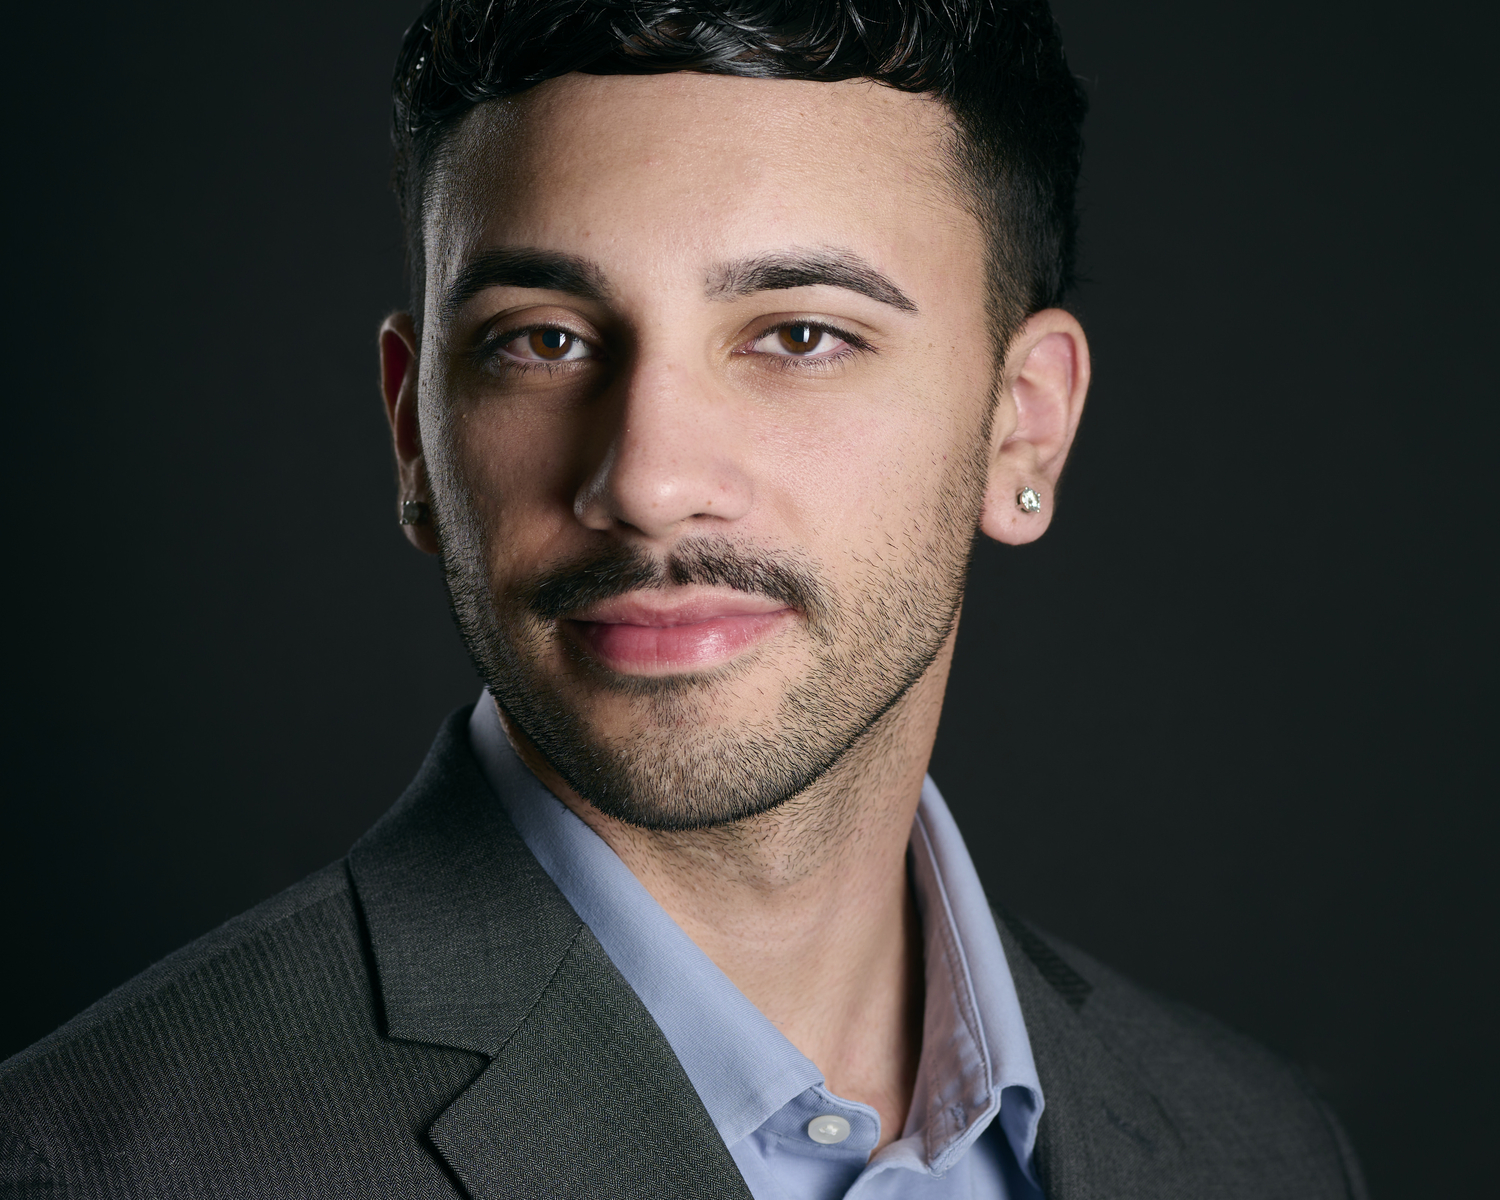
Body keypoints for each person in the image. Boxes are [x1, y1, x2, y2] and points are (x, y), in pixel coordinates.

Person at [0, 2, 1368, 1196]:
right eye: (543, 340)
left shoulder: (1258, 1151)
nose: (648, 481)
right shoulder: (100, 1168)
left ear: (1024, 426)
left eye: (800, 334)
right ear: (415, 437)